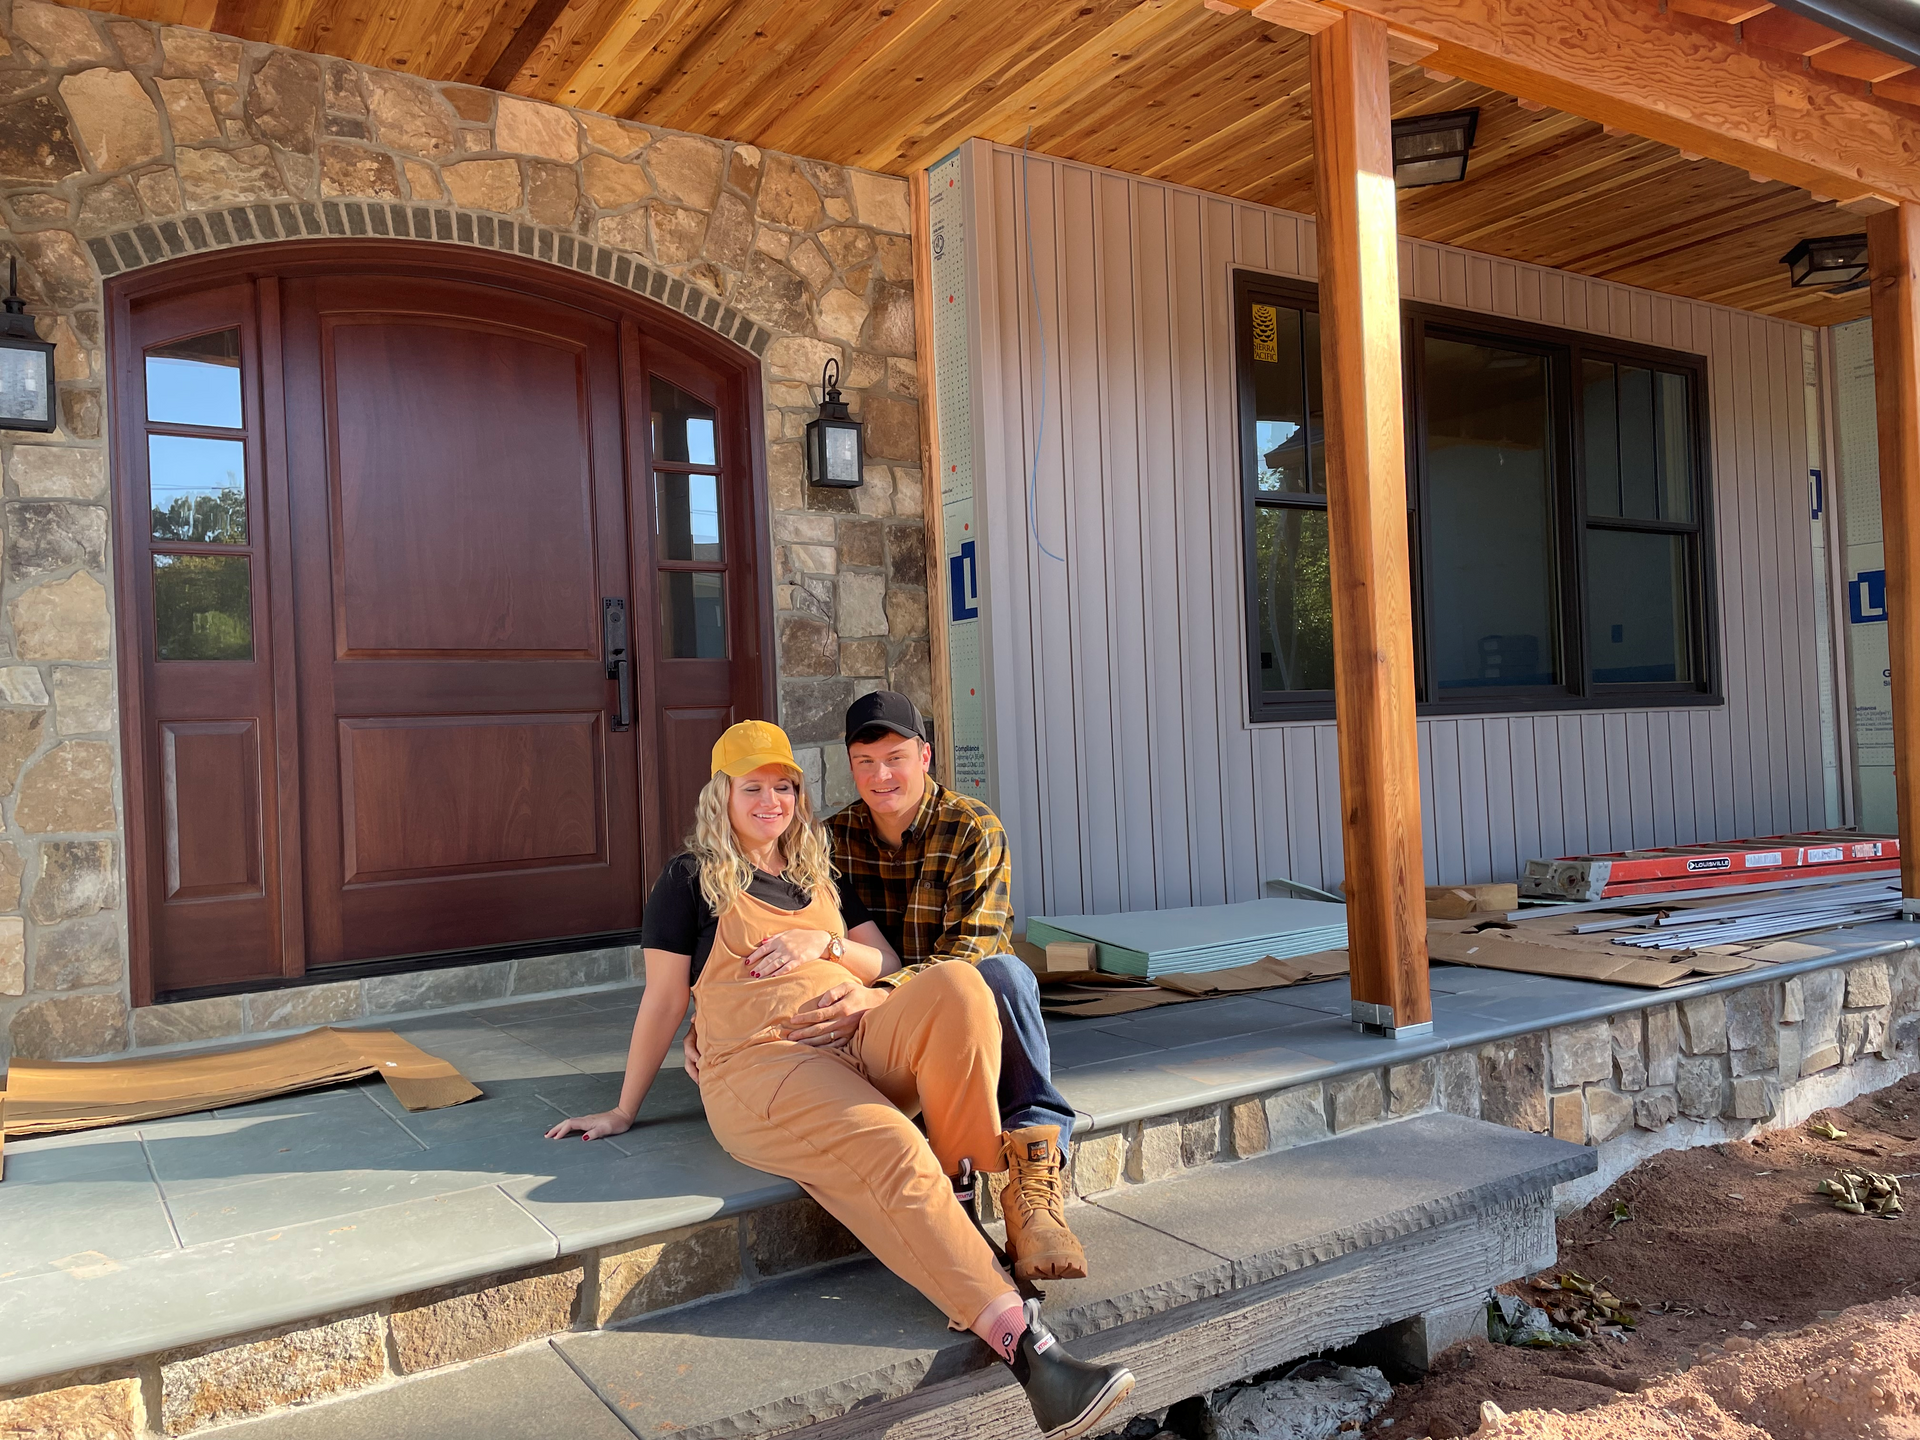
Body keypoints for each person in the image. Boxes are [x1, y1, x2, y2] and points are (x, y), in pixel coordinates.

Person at [547, 720, 1133, 1440]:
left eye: (785, 786)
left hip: (855, 1039)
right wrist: (623, 1108)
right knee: (888, 1143)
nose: (771, 801)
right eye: (752, 787)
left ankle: (963, 1193)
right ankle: (1031, 1352)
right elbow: (665, 1001)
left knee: (960, 983)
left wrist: (822, 945)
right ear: (722, 794)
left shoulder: (817, 873)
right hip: (764, 1068)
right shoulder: (689, 879)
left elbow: (883, 965)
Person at [688, 691, 1089, 1285]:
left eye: (896, 757)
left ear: (924, 756)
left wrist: (880, 993)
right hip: (870, 1038)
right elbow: (742, 948)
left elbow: (973, 949)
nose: (882, 775)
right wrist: (708, 1025)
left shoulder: (974, 829)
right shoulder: (828, 843)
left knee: (1003, 975)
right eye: (865, 761)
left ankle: (1031, 1165)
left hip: (940, 1008)